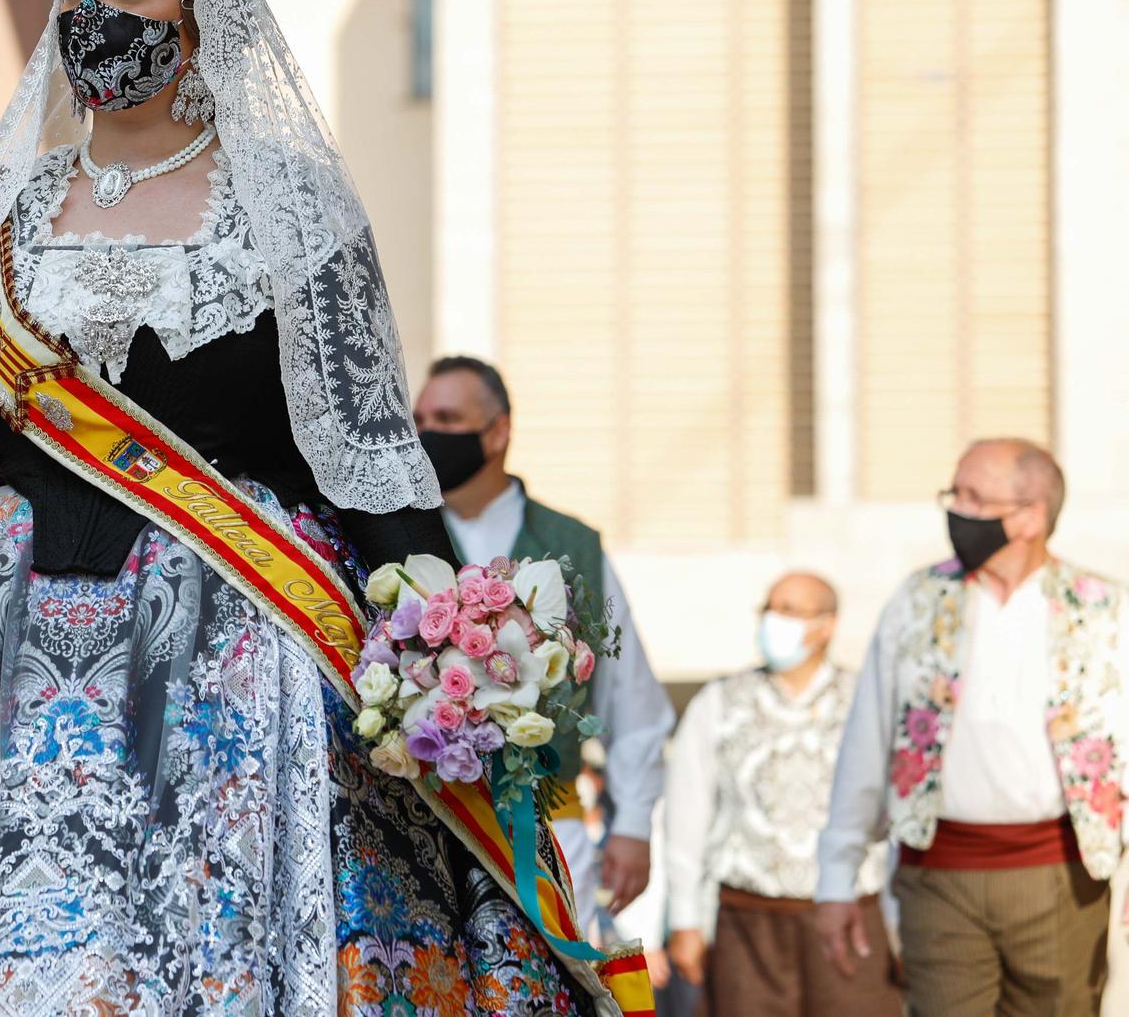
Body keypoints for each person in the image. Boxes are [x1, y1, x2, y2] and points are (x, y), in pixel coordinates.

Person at [0, 0, 629, 1015]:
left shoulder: (291, 213)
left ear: (197, 19)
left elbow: (360, 464)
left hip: (229, 653)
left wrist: (457, 651)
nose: (96, 19)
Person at [817, 439, 1124, 1017]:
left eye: (974, 497)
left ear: (1031, 515)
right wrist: (836, 877)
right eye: (953, 493)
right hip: (939, 879)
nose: (956, 510)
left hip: (1062, 878)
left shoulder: (1105, 610)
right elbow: (866, 742)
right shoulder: (917, 600)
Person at [413, 355, 674, 936]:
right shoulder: (400, 538)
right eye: (419, 418)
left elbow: (631, 700)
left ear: (498, 431)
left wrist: (632, 825)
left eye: (448, 418)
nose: (427, 434)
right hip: (429, 827)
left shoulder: (572, 545)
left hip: (554, 833)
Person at [664, 572, 898, 1016]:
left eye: (789, 610)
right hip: (749, 924)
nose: (773, 620)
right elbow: (685, 815)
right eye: (770, 608)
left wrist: (902, 924)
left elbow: (895, 819)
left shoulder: (866, 699)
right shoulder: (719, 701)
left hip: (850, 920)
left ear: (826, 625)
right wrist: (685, 921)